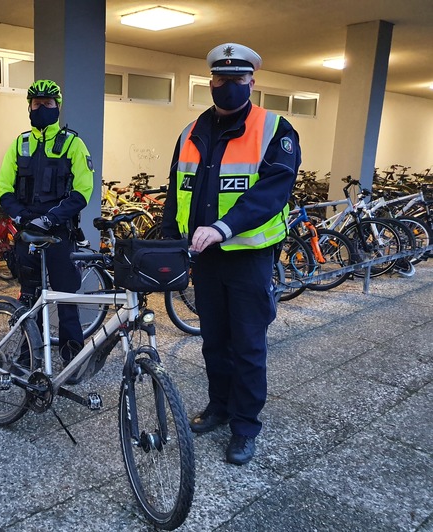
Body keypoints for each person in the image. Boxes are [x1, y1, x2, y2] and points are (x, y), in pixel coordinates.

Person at [161, 43, 301, 465]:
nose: (229, 87)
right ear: (211, 83)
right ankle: (219, 407)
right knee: (213, 341)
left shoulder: (275, 129)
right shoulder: (189, 133)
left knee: (247, 345)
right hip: (204, 259)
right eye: (221, 80)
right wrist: (170, 245)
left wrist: (223, 227)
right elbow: (176, 194)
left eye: (238, 80)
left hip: (247, 257)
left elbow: (271, 192)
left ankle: (245, 426)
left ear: (252, 82)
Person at [0, 79, 94, 378]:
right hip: (27, 230)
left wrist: (50, 219)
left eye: (47, 104)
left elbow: (83, 190)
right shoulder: (19, 143)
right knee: (30, 295)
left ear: (57, 107)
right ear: (29, 107)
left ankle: (72, 357)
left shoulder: (73, 144)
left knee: (65, 296)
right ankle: (29, 354)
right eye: (36, 104)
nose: (41, 108)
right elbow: (3, 188)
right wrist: (23, 218)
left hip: (58, 231)